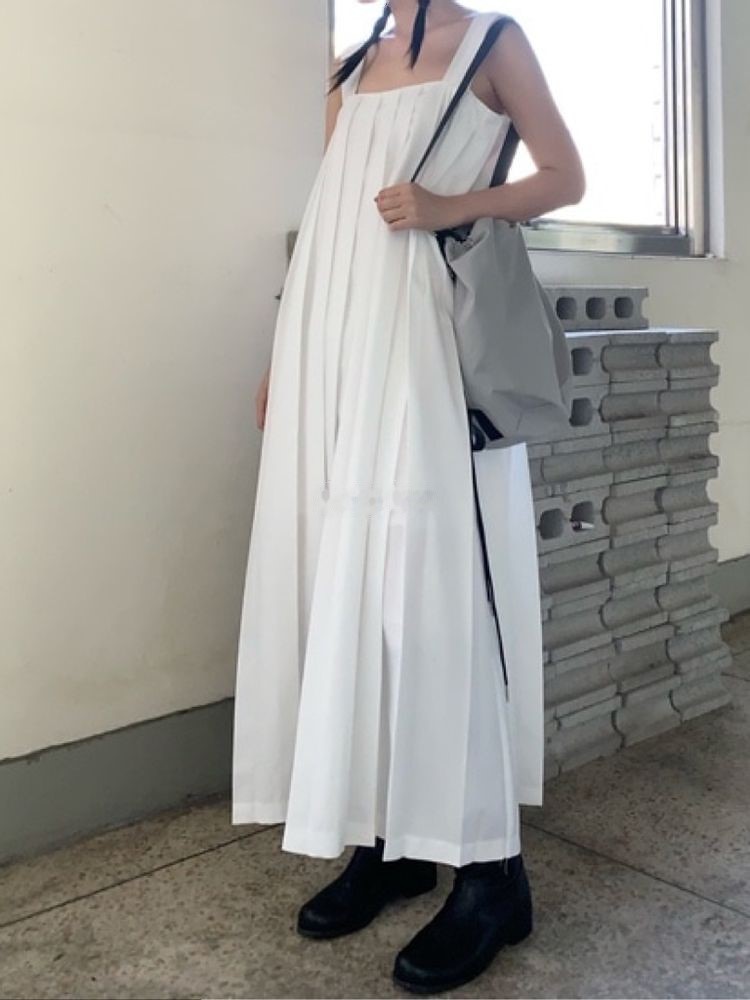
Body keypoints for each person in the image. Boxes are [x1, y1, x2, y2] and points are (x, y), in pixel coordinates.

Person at [232, 1, 585, 992]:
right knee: (348, 586)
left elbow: (565, 177)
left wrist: (446, 205)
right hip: (337, 346)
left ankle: (491, 872)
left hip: (425, 343)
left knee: (434, 598)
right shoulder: (348, 70)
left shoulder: (494, 42)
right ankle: (389, 838)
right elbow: (334, 222)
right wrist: (285, 353)